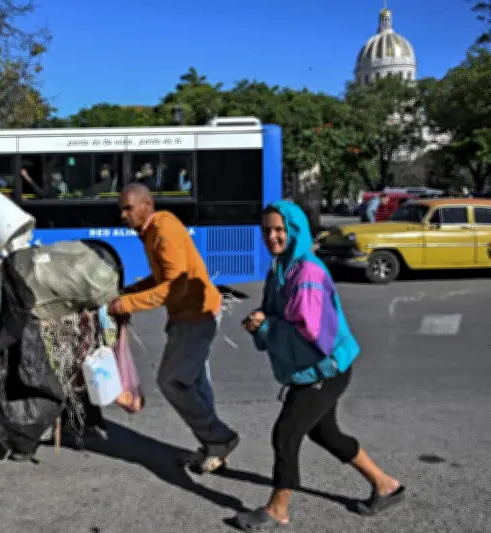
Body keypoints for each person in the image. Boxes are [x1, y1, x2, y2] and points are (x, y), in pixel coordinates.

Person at [235, 200, 405, 531]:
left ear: (295, 231)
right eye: (267, 230)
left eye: (280, 230)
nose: (272, 237)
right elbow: (282, 314)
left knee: (286, 433)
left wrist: (266, 327)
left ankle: (277, 509)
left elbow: (311, 335)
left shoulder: (306, 272)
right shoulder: (282, 267)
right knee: (326, 433)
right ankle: (386, 485)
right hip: (316, 368)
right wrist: (261, 320)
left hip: (325, 368)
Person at [107, 183, 240, 473]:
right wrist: (128, 292)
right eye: (121, 210)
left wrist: (127, 305)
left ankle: (220, 438)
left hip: (196, 316)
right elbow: (161, 279)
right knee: (194, 383)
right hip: (191, 314)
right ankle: (212, 446)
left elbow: (173, 288)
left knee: (173, 381)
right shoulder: (152, 231)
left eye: (128, 208)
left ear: (147, 204)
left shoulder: (163, 230)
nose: (123, 215)